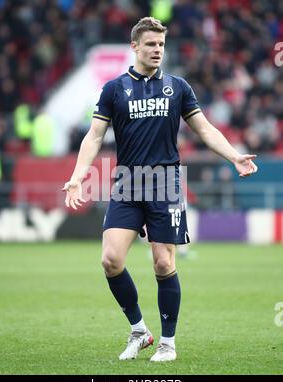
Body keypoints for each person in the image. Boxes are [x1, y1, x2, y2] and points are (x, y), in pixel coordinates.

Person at [62, 17, 258, 362]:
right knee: (110, 260)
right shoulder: (113, 89)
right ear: (134, 46)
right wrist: (78, 176)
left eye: (161, 45)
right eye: (151, 44)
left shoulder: (178, 87)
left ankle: (168, 343)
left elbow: (205, 129)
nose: (157, 50)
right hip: (126, 183)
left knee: (163, 263)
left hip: (165, 182)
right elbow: (94, 136)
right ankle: (139, 330)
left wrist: (234, 156)